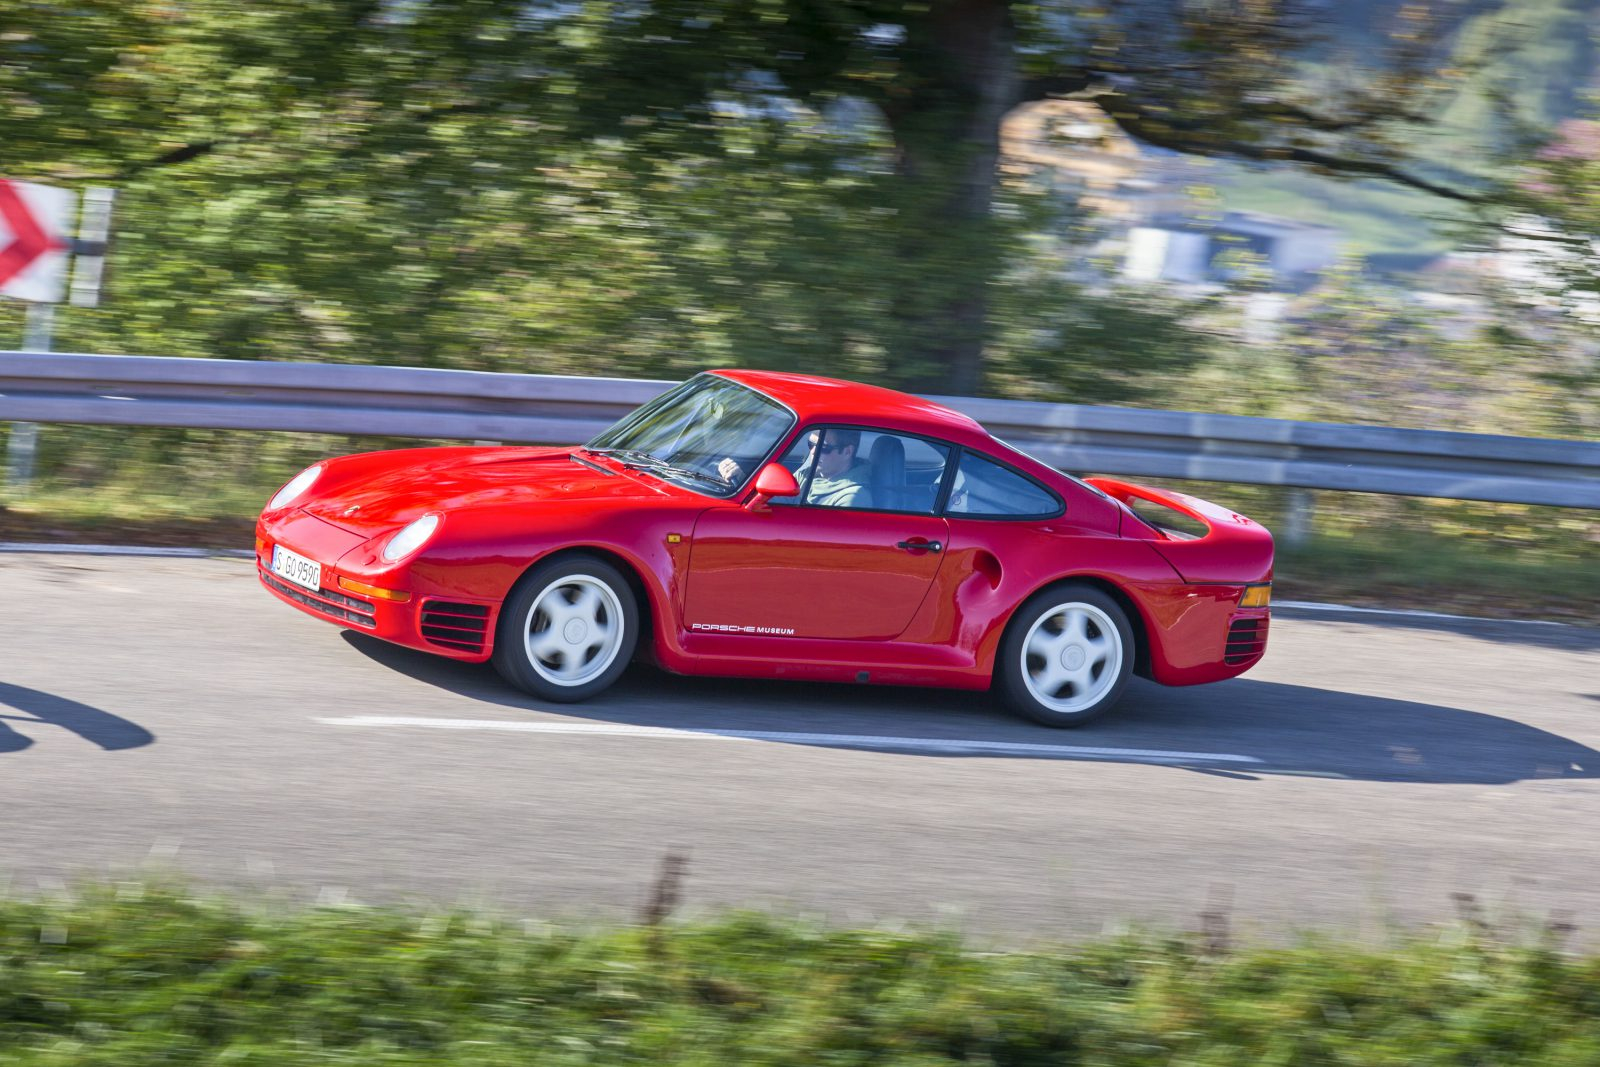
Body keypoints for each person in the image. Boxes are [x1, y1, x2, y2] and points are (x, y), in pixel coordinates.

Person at [718, 429, 871, 507]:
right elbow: (778, 501)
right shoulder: (810, 473)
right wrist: (742, 479)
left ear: (847, 452)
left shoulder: (853, 497)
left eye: (823, 448)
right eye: (811, 444)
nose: (812, 452)